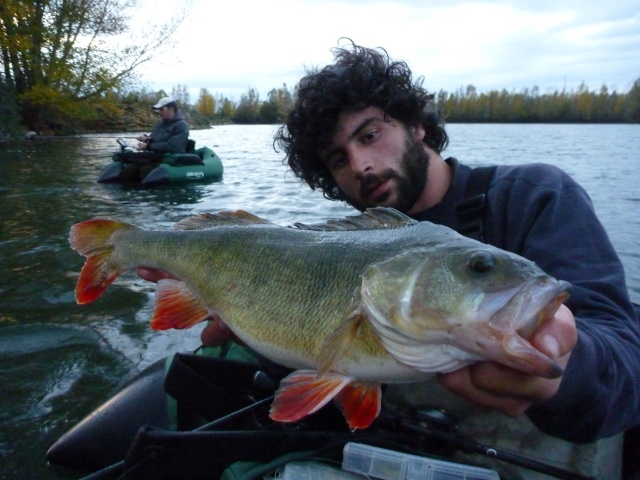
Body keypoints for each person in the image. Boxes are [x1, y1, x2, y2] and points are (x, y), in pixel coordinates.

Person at [139, 43, 640, 478]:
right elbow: (314, 346)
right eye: (338, 159)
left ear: (418, 125)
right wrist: (248, 323)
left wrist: (569, 367)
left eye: (370, 134)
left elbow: (625, 368)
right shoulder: (335, 244)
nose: (360, 164)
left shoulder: (532, 196)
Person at [120, 96, 190, 182]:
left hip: (170, 160)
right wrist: (145, 138)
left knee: (144, 171)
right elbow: (154, 138)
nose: (159, 112)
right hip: (155, 157)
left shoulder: (182, 126)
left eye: (161, 109)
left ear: (171, 109)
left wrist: (148, 146)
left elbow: (173, 146)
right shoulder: (160, 124)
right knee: (128, 170)